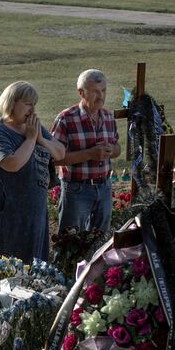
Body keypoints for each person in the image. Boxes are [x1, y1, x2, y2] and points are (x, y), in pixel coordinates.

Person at [0, 81, 66, 263]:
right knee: (10, 269)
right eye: (28, 104)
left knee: (36, 265)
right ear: (12, 103)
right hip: (9, 215)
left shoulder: (32, 128)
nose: (32, 109)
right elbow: (12, 163)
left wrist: (42, 140)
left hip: (35, 211)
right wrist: (31, 139)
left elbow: (60, 153)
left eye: (34, 104)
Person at [51, 69, 121, 233]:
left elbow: (118, 149)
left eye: (103, 91)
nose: (101, 96)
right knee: (70, 242)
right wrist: (89, 154)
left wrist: (111, 150)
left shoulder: (108, 117)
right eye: (96, 92)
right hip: (77, 190)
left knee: (100, 242)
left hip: (104, 187)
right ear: (81, 93)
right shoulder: (66, 119)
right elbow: (54, 159)